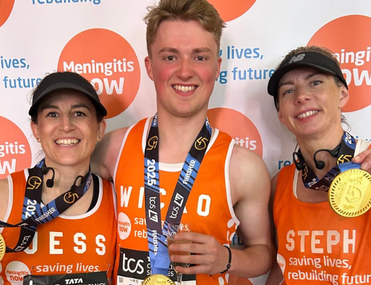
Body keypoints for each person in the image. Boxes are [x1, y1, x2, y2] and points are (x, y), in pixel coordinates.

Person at [92, 0, 273, 284]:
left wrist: (227, 259)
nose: (185, 71)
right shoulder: (112, 148)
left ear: (217, 67)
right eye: (170, 57)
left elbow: (263, 254)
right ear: (150, 67)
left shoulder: (242, 166)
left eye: (200, 57)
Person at [266, 45, 371, 285]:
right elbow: (282, 267)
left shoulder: (369, 161)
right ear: (281, 114)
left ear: (342, 94)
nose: (301, 96)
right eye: (288, 90)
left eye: (315, 83)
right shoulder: (278, 184)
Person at [0, 71, 117, 284]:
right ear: (36, 129)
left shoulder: (118, 201)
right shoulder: (3, 195)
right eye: (52, 114)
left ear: (100, 129)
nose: (66, 126)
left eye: (79, 113)